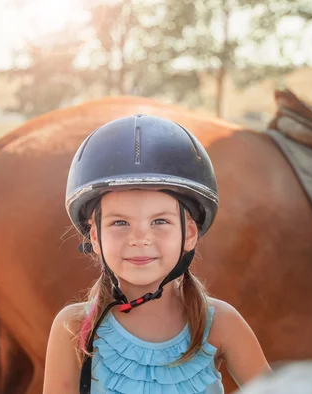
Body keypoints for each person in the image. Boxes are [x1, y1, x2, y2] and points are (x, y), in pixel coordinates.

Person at [43, 114, 271, 394]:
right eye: (120, 223)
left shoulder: (221, 323)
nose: (140, 239)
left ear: (189, 234)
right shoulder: (74, 327)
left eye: (160, 221)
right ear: (95, 237)